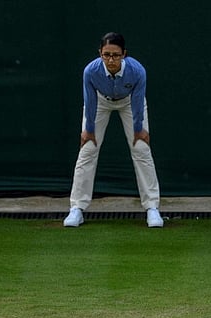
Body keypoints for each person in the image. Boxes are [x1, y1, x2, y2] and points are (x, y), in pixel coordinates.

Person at [63, 32, 163, 228]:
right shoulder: (91, 72)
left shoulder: (137, 71)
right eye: (106, 54)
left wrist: (138, 129)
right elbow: (89, 101)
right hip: (100, 102)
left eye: (115, 55)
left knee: (141, 149)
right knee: (88, 150)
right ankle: (77, 208)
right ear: (100, 53)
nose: (111, 59)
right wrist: (89, 130)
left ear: (124, 54)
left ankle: (152, 208)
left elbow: (137, 100)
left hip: (129, 102)